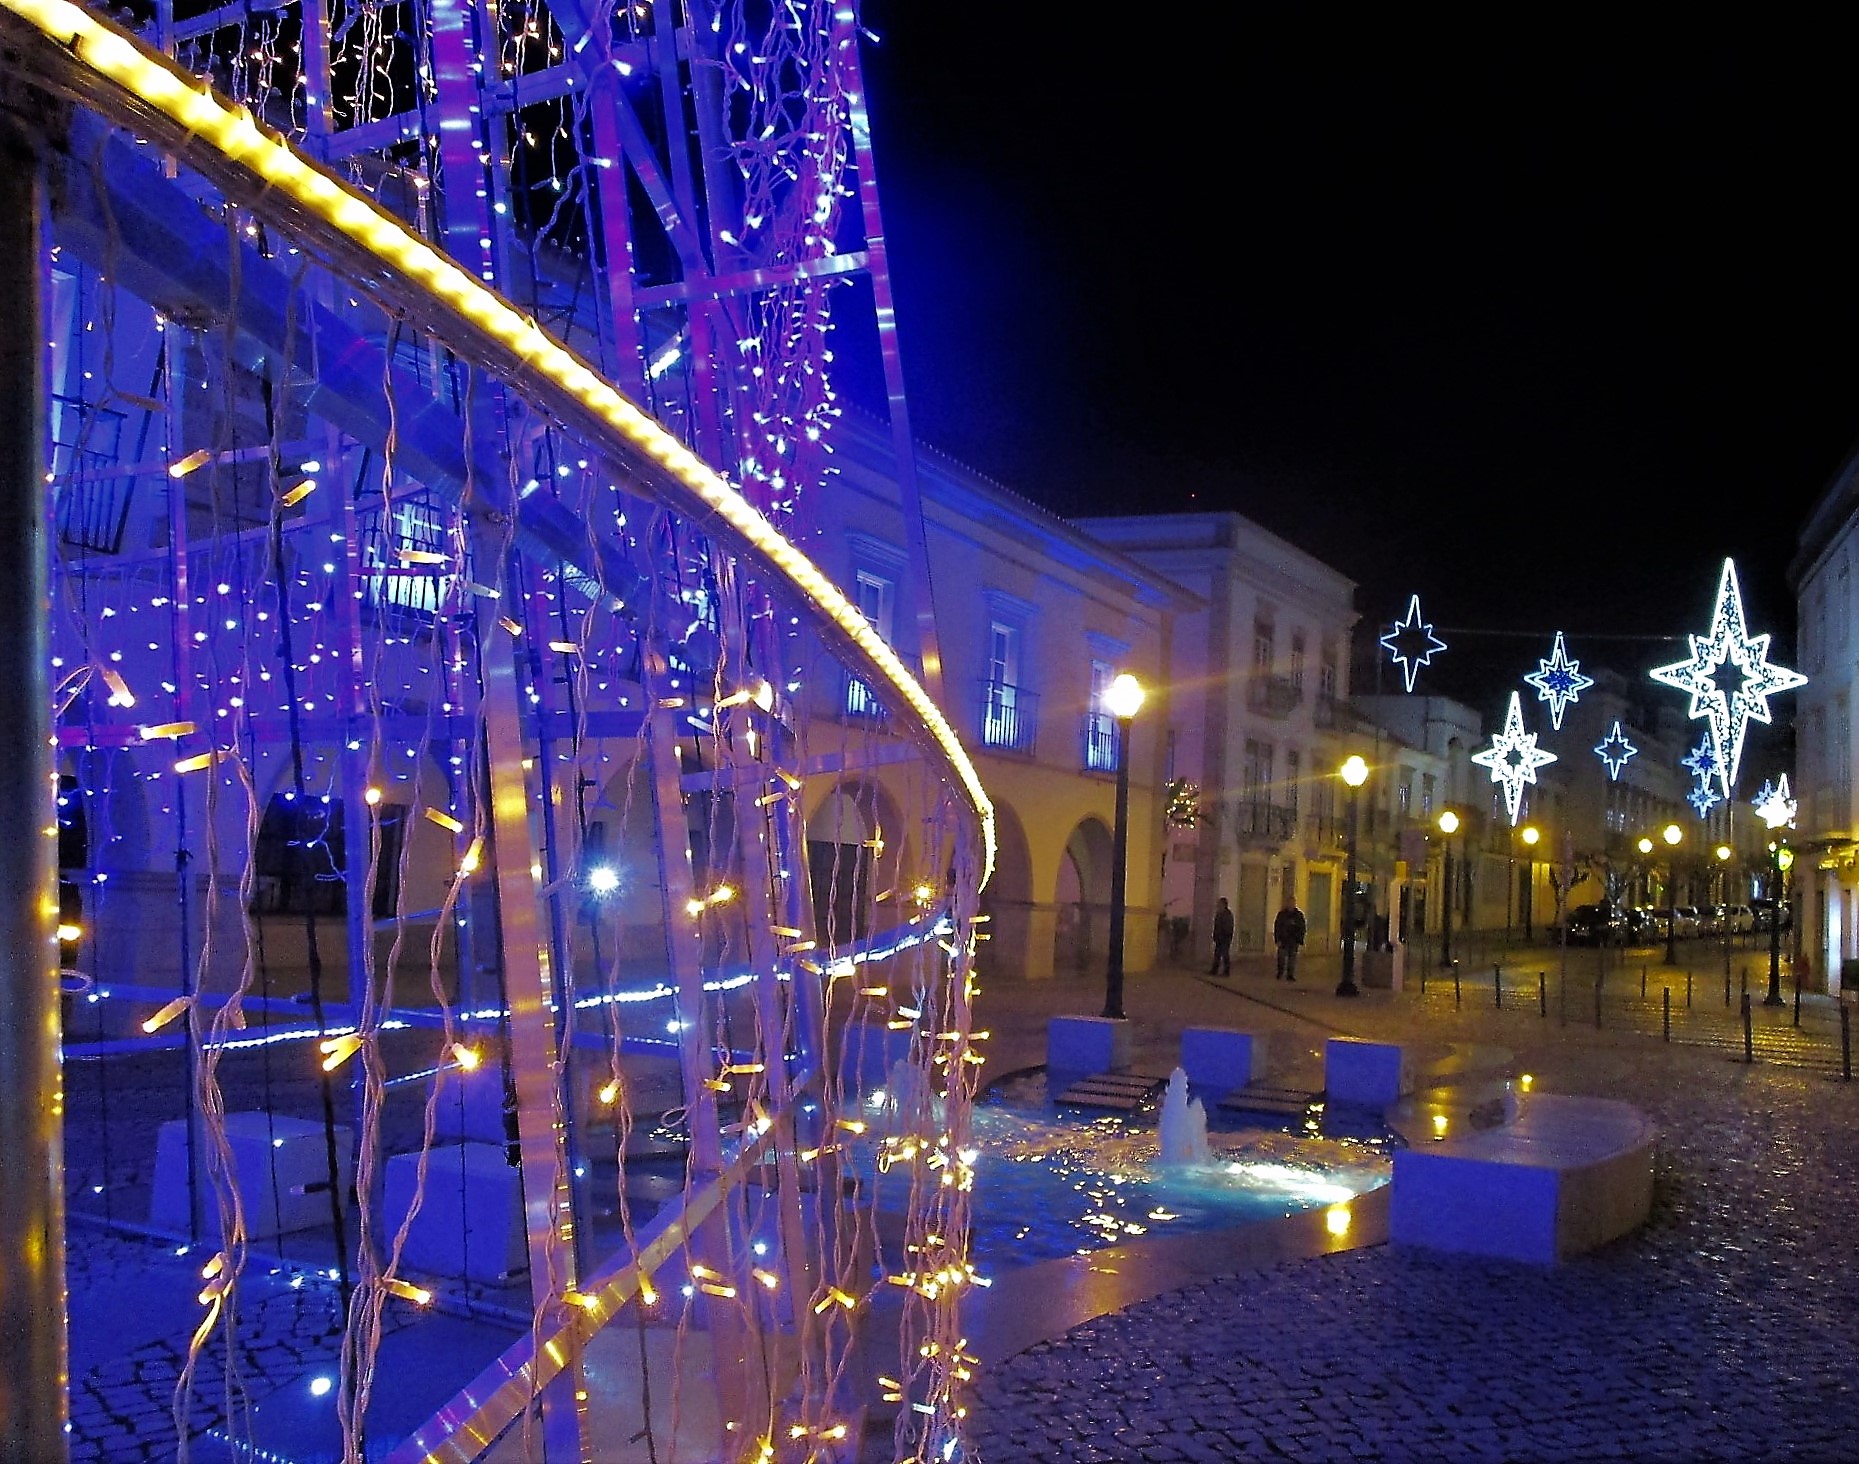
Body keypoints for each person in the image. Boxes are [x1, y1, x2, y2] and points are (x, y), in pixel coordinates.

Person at [1273, 895, 1307, 981]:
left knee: (1292, 959)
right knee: (1281, 957)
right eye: (1290, 903)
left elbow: (1302, 927)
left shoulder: (1298, 915)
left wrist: (1300, 939)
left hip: (1293, 940)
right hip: (1283, 940)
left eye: (1292, 903)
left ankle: (1290, 975)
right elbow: (1277, 927)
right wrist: (1277, 939)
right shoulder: (1282, 915)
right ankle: (1280, 972)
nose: (1291, 904)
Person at [1208, 896, 1235, 977]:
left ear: (1223, 905)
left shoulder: (1227, 915)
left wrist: (1224, 936)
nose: (1218, 905)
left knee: (1225, 954)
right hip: (1219, 938)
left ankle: (1226, 971)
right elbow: (1217, 926)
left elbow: (1227, 927)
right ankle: (1214, 970)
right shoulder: (1219, 914)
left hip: (1225, 938)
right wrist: (1215, 935)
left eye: (1219, 904)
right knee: (1217, 954)